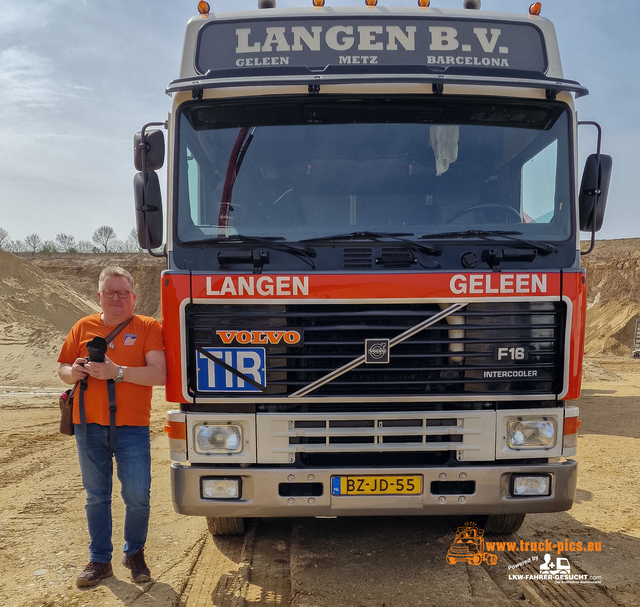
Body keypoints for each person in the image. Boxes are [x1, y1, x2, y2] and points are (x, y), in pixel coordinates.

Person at [57, 266, 166, 587]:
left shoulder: (148, 327)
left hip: (132, 426)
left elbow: (159, 374)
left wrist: (117, 372)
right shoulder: (82, 326)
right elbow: (63, 367)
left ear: (134, 297)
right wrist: (73, 372)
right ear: (99, 296)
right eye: (109, 293)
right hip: (88, 425)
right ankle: (99, 560)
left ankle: (134, 553)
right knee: (96, 496)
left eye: (122, 293)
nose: (116, 298)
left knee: (137, 495)